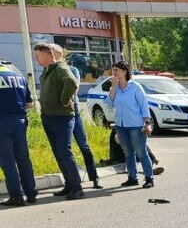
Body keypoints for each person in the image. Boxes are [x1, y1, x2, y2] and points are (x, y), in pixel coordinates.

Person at [34, 42, 84, 200]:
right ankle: (69, 185)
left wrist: (64, 100)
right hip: (49, 117)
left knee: (65, 152)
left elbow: (72, 83)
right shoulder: (47, 71)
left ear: (47, 55)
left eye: (38, 56)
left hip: (62, 117)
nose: (36, 59)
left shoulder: (61, 68)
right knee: (58, 153)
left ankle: (77, 188)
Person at [108, 60, 154, 187]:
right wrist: (113, 87)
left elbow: (144, 105)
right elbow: (110, 103)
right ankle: (132, 178)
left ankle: (149, 178)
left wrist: (147, 123)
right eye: (114, 70)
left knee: (141, 152)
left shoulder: (135, 87)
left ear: (124, 72)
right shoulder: (116, 88)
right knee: (128, 153)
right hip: (121, 126)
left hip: (136, 125)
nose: (114, 72)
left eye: (116, 70)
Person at [0, 60, 36, 207]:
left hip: (2, 122)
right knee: (23, 158)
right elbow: (30, 104)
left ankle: (16, 196)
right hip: (20, 122)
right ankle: (31, 193)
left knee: (7, 160)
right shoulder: (19, 77)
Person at [67, 60, 101, 188]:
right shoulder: (48, 71)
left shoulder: (72, 70)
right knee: (66, 149)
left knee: (84, 145)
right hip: (59, 115)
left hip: (73, 109)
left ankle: (95, 177)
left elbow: (74, 89)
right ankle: (71, 180)